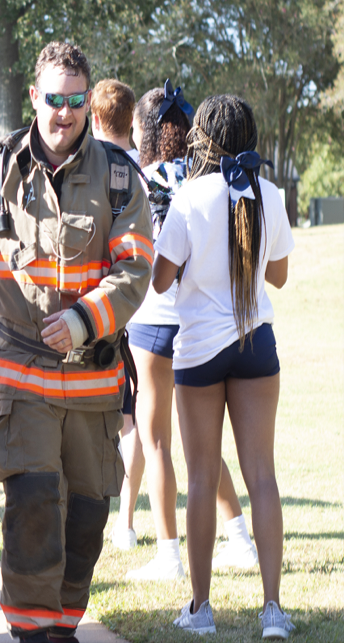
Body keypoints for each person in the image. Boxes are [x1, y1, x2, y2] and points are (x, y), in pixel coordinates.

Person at [0, 41, 152, 643]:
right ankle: (32, 634)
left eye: (76, 101)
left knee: (86, 520)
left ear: (87, 102)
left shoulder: (119, 177)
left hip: (93, 384)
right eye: (53, 99)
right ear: (34, 97)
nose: (64, 113)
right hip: (23, 381)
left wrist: (84, 319)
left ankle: (61, 626)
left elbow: (135, 271)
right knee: (32, 511)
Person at [153, 95, 294, 638]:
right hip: (258, 343)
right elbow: (277, 277)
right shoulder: (271, 194)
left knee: (202, 478)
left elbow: (162, 281)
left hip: (199, 353)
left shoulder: (188, 198)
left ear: (202, 141)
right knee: (263, 477)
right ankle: (274, 611)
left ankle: (201, 609)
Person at [114, 84, 259, 580]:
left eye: (136, 127)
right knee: (203, 444)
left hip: (154, 319)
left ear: (149, 130)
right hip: (202, 321)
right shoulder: (210, 176)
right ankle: (238, 537)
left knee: (155, 442)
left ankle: (169, 554)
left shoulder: (138, 178)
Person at [88, 78, 143, 551]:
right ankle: (125, 519)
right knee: (134, 423)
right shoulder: (142, 172)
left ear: (97, 117)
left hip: (118, 316)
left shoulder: (104, 169)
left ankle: (123, 520)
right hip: (138, 311)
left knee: (126, 423)